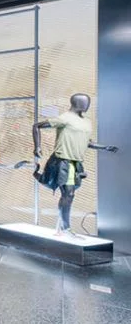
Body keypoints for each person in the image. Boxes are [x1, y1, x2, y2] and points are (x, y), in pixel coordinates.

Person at [33, 93, 118, 238]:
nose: (87, 105)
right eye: (85, 102)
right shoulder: (65, 118)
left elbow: (87, 142)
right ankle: (64, 229)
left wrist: (105, 147)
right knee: (68, 194)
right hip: (62, 160)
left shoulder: (86, 122)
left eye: (88, 102)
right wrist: (37, 147)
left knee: (69, 195)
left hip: (76, 162)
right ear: (76, 102)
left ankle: (62, 228)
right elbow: (36, 126)